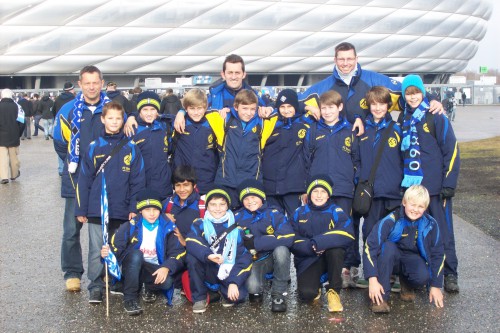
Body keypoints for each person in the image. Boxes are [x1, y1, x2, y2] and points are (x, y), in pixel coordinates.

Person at [75, 101, 145, 304]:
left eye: (118, 118)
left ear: (123, 120)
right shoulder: (93, 147)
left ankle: (115, 281)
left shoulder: (131, 148)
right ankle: (96, 285)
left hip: (122, 209)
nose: (114, 122)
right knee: (97, 248)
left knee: (119, 247)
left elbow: (138, 181)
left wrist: (134, 207)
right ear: (103, 119)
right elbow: (84, 180)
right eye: (110, 118)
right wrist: (81, 208)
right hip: (98, 209)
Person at [299, 42, 443, 136]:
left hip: (371, 141)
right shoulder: (323, 87)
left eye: (349, 59)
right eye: (341, 59)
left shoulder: (374, 80)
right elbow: (289, 104)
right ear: (335, 60)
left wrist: (432, 99)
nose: (345, 63)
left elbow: (409, 93)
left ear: (356, 58)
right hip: (338, 145)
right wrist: (308, 107)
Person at [53, 65, 112, 293]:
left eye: (95, 82)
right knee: (71, 229)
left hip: (105, 178)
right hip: (76, 178)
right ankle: (72, 272)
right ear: (80, 84)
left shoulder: (111, 108)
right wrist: (75, 163)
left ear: (102, 83)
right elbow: (60, 143)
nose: (91, 87)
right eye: (87, 82)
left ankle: (104, 271)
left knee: (105, 227)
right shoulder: (68, 110)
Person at [399, 74, 460, 292]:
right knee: (415, 232)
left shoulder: (436, 116)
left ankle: (450, 273)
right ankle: (424, 273)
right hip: (413, 190)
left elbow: (451, 150)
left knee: (443, 232)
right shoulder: (403, 119)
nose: (413, 96)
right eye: (408, 93)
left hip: (435, 189)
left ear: (423, 93)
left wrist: (448, 183)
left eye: (416, 92)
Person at [346, 87, 403, 288]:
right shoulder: (361, 129)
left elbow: (404, 158)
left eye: (381, 104)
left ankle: (391, 273)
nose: (378, 108)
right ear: (369, 106)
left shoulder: (398, 129)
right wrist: (359, 179)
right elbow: (355, 157)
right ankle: (370, 272)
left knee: (392, 234)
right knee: (369, 232)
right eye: (374, 104)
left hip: (393, 191)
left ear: (388, 105)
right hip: (371, 192)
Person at [102, 189, 185, 315]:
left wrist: (167, 267)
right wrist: (106, 253)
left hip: (153, 267)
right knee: (136, 254)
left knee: (167, 282)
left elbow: (178, 253)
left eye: (155, 209)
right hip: (132, 265)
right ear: (140, 211)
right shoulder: (130, 226)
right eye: (147, 210)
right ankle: (130, 298)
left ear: (160, 210)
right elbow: (115, 246)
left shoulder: (168, 227)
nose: (152, 214)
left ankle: (147, 286)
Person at [363, 185, 445, 313]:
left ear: (425, 207)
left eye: (420, 206)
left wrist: (436, 285)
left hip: (411, 258)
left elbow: (438, 254)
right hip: (390, 257)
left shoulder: (431, 224)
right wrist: (372, 280)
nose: (415, 210)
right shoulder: (390, 220)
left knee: (423, 276)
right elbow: (370, 247)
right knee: (388, 248)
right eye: (412, 205)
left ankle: (406, 283)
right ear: (404, 203)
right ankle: (380, 299)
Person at [290, 175, 354, 312]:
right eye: (315, 191)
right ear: (309, 193)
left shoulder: (336, 211)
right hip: (308, 259)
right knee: (307, 294)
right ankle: (316, 284)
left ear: (328, 194)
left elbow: (347, 233)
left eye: (323, 192)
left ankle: (334, 291)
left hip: (330, 257)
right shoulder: (298, 212)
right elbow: (292, 239)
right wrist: (310, 247)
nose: (319, 195)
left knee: (336, 249)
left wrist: (319, 243)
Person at [185, 188, 252, 313]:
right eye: (213, 204)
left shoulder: (237, 229)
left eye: (222, 204)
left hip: (227, 269)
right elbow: (191, 241)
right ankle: (200, 297)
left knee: (238, 297)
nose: (218, 208)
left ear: (228, 206)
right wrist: (208, 255)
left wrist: (234, 282)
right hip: (208, 267)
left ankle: (222, 289)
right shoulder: (199, 223)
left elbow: (244, 257)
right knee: (192, 257)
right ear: (207, 207)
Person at [234, 179, 295, 312]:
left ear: (262, 197)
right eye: (246, 198)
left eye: (254, 197)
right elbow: (235, 242)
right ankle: (258, 288)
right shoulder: (237, 217)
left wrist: (256, 243)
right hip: (253, 260)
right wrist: (270, 239)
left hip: (272, 257)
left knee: (282, 250)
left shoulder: (274, 214)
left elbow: (288, 237)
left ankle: (279, 294)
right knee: (253, 288)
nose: (250, 201)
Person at [209, 89, 274, 209]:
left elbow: (287, 110)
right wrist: (181, 112)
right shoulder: (225, 120)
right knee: (224, 221)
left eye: (252, 109)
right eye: (244, 108)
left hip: (251, 183)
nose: (248, 113)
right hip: (225, 181)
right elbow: (198, 110)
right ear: (236, 106)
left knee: (249, 222)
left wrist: (270, 107)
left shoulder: (263, 124)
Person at [261, 89, 313, 217]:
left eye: (290, 106)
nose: (286, 110)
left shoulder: (304, 124)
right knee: (274, 225)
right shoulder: (270, 124)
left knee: (295, 224)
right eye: (282, 107)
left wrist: (307, 186)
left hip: (294, 187)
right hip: (271, 187)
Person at [304, 90, 357, 216]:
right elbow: (306, 160)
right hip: (319, 191)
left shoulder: (351, 130)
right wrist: (306, 188)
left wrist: (353, 185)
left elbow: (357, 160)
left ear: (340, 107)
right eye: (324, 108)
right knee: (318, 228)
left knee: (343, 229)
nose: (327, 112)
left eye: (331, 107)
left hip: (343, 190)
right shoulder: (313, 130)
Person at [170, 88, 218, 195]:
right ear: (186, 108)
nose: (196, 112)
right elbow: (152, 117)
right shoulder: (178, 123)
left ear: (205, 107)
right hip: (183, 180)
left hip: (207, 179)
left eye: (199, 108)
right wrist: (131, 117)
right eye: (192, 108)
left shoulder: (214, 123)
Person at [131, 90, 173, 200]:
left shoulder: (165, 126)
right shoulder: (132, 129)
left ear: (157, 111)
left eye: (153, 109)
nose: (149, 113)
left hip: (163, 186)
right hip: (140, 186)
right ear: (139, 111)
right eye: (145, 109)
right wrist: (131, 116)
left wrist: (182, 113)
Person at [0, 89, 24, 184]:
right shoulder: (18, 106)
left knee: (2, 158)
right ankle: (14, 175)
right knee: (14, 157)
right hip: (14, 136)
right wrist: (18, 133)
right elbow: (22, 122)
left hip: (1, 137)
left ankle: (4, 177)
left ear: (2, 96)